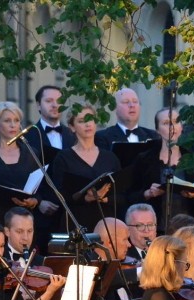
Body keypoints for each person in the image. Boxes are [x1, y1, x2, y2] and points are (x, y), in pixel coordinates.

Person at [45, 104, 123, 232]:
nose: (88, 124)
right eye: (81, 121)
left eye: (90, 119)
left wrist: (104, 198)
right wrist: (85, 198)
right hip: (76, 223)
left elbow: (122, 195)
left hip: (107, 224)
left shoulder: (110, 157)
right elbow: (59, 195)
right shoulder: (63, 157)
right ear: (72, 127)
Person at [130, 107, 194, 228]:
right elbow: (129, 196)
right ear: (157, 130)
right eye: (166, 123)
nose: (172, 127)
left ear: (181, 127)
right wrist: (148, 193)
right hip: (156, 228)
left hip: (189, 228)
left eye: (176, 122)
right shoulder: (145, 159)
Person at [24, 85, 75, 252]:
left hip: (69, 212)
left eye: (59, 101)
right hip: (41, 212)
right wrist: (38, 201)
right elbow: (24, 174)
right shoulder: (28, 136)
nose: (55, 105)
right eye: (49, 101)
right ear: (38, 105)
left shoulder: (72, 134)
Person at [95, 87, 161, 150]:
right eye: (126, 102)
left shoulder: (153, 136)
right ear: (115, 107)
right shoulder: (103, 137)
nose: (132, 105)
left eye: (135, 101)